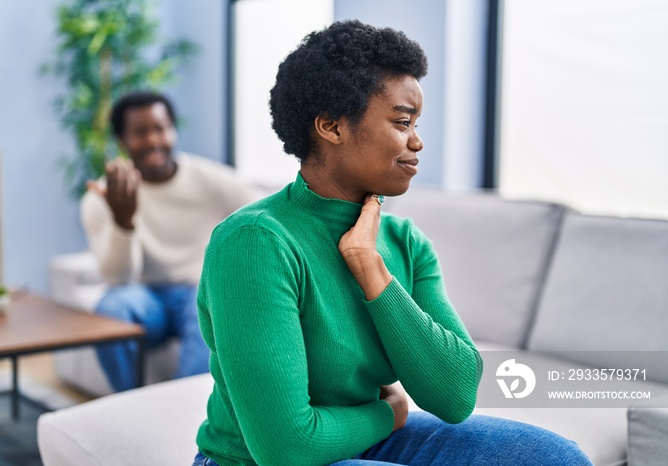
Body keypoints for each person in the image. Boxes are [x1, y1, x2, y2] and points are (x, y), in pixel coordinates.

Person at [192, 21, 592, 466]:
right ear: (331, 126)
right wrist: (387, 414)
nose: (417, 141)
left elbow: (457, 394)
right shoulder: (254, 242)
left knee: (555, 458)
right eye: (402, 122)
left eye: (416, 124)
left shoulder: (404, 242)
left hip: (362, 441)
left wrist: (370, 266)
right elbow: (286, 447)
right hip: (257, 461)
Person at [81, 91, 258, 392]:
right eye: (139, 132)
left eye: (160, 129)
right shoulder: (102, 198)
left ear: (173, 131)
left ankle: (178, 408)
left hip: (197, 290)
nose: (152, 140)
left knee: (212, 301)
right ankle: (128, 405)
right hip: (145, 297)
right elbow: (117, 278)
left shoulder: (213, 181)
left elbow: (263, 218)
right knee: (111, 307)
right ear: (122, 141)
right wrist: (124, 221)